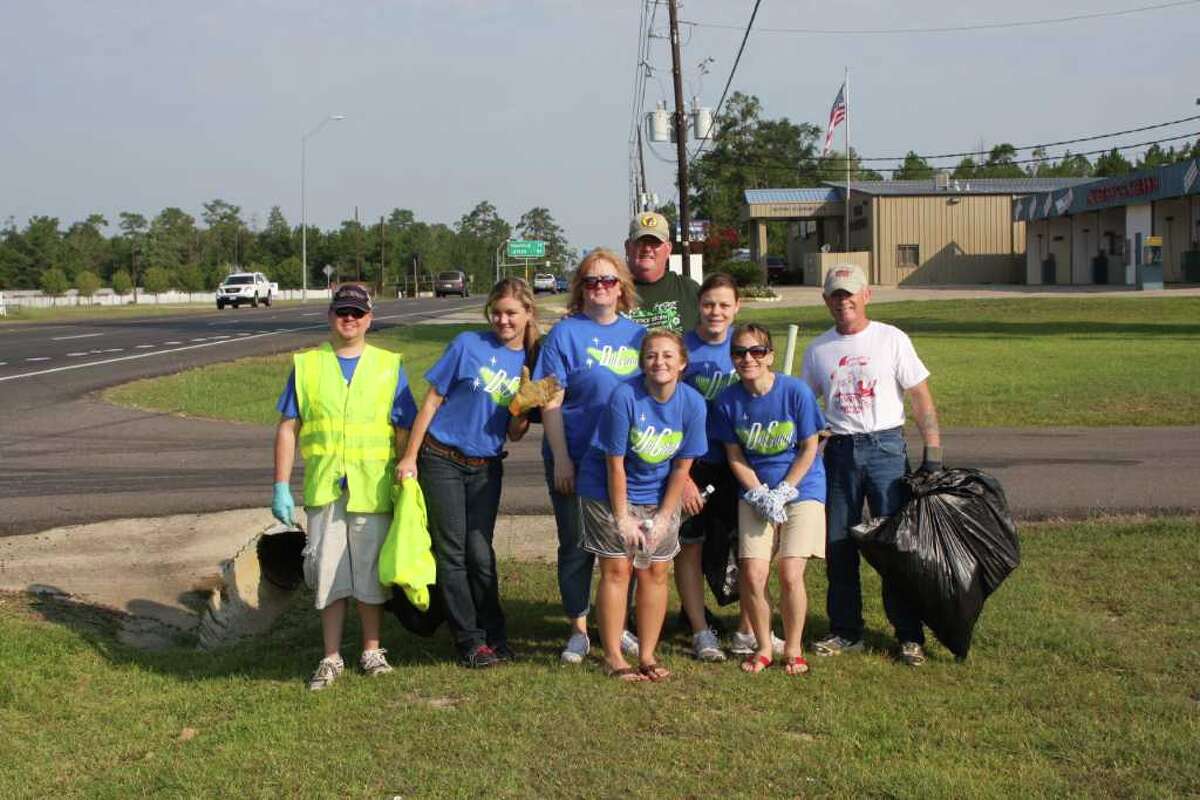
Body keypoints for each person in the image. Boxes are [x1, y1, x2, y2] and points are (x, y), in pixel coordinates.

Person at [271, 284, 418, 691]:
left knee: (370, 574)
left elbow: (404, 426)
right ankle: (331, 656)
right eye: (342, 312)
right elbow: (288, 427)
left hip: (373, 488)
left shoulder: (389, 365)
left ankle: (372, 651)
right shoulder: (307, 365)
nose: (349, 319)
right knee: (328, 572)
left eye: (357, 312)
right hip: (326, 488)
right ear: (330, 316)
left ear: (369, 318)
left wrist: (407, 472)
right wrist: (281, 484)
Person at [801, 263, 942, 667]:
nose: (842, 301)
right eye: (835, 295)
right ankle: (846, 630)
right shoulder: (818, 349)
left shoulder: (891, 340)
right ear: (825, 300)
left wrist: (933, 450)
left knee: (893, 546)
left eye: (850, 294)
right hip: (840, 453)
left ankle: (909, 635)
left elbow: (919, 396)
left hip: (885, 451)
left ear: (866, 296)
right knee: (839, 545)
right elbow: (806, 406)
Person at [394, 278, 536, 669]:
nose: (503, 320)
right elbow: (432, 402)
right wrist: (410, 456)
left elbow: (515, 433)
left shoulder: (531, 358)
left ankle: (495, 633)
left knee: (480, 553)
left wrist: (521, 409)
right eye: (497, 312)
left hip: (486, 466)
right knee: (452, 553)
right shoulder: (467, 345)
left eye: (511, 313)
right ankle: (470, 641)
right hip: (441, 457)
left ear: (527, 314)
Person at [534, 248, 646, 664]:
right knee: (576, 545)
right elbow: (549, 399)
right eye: (592, 281)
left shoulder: (638, 336)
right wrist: (562, 457)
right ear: (581, 289)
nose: (601, 287)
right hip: (576, 456)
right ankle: (579, 628)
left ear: (622, 288)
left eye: (609, 280)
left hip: (624, 461)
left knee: (624, 544)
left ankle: (618, 625)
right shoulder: (564, 334)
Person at [576, 329, 708, 681]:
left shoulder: (693, 404)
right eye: (651, 355)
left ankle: (648, 655)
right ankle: (614, 657)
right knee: (618, 569)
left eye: (667, 355)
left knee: (655, 570)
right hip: (607, 489)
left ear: (682, 363)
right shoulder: (625, 397)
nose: (659, 362)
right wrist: (623, 519)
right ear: (642, 362)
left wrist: (665, 518)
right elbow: (614, 464)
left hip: (659, 490)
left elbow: (682, 466)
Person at [714, 324, 826, 675]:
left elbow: (810, 446)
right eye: (740, 353)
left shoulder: (795, 392)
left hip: (802, 489)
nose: (748, 359)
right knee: (752, 572)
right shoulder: (728, 400)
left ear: (770, 356)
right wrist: (760, 492)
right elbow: (734, 455)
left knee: (790, 572)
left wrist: (786, 488)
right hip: (755, 492)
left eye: (756, 351)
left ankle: (793, 648)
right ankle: (763, 646)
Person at [676, 273, 750, 662]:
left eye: (724, 304)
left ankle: (747, 626)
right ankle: (700, 629)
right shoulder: (682, 349)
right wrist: (682, 475)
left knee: (746, 546)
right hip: (694, 464)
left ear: (737, 307)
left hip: (739, 463)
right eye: (708, 304)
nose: (716, 312)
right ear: (698, 307)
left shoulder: (747, 347)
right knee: (689, 545)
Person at [624, 211, 700, 333]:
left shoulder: (689, 290)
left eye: (655, 242)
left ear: (668, 248)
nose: (647, 248)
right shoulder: (613, 291)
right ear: (627, 247)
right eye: (640, 242)